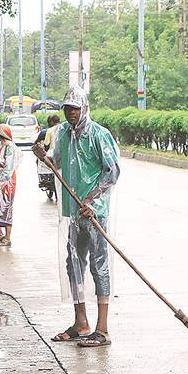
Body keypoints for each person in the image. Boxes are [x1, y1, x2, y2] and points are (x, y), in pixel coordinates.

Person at [34, 84, 120, 348]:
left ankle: (102, 329)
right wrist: (43, 157)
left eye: (76, 108)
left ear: (84, 108)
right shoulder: (62, 134)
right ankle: (80, 322)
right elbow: (56, 162)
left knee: (99, 266)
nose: (72, 113)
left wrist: (93, 201)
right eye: (68, 108)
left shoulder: (99, 134)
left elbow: (112, 171)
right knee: (74, 265)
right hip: (73, 212)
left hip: (93, 213)